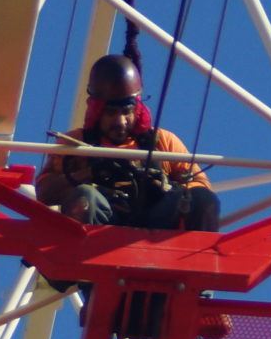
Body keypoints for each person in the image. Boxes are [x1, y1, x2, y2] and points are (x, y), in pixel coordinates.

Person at [35, 55, 220, 233]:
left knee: (202, 199)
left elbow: (201, 186)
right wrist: (90, 173)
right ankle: (81, 257)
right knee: (85, 196)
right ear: (97, 111)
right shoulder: (76, 144)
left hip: (156, 224)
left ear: (137, 110)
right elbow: (44, 193)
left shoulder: (162, 141)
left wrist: (165, 186)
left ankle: (196, 259)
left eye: (127, 112)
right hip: (104, 228)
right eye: (111, 113)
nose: (120, 122)